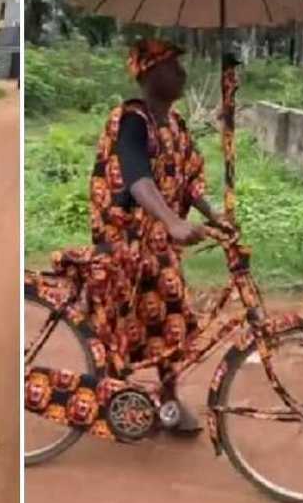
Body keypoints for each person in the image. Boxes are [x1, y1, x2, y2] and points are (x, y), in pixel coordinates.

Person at [87, 38, 228, 435]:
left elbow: (190, 180)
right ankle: (125, 401)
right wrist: (171, 221)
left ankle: (165, 401)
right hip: (125, 239)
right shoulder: (133, 120)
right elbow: (137, 180)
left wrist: (215, 216)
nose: (182, 73)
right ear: (150, 74)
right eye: (172, 66)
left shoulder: (175, 125)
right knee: (123, 323)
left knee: (172, 322)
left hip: (157, 242)